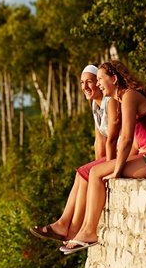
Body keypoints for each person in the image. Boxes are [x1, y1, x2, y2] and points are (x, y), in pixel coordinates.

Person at [61, 60, 146, 254]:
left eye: (101, 79)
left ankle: (89, 232)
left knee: (95, 173)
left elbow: (125, 138)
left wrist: (117, 171)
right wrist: (116, 165)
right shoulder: (124, 99)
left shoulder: (129, 97)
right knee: (95, 172)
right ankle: (85, 230)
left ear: (114, 79)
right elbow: (135, 142)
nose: (98, 83)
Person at [30, 64, 120, 242]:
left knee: (84, 173)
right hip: (110, 154)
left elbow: (115, 137)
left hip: (120, 154)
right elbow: (99, 141)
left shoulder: (111, 102)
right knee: (83, 173)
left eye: (90, 82)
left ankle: (69, 228)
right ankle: (65, 225)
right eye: (82, 82)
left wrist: (101, 167)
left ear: (99, 83)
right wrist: (96, 165)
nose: (85, 86)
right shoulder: (95, 106)